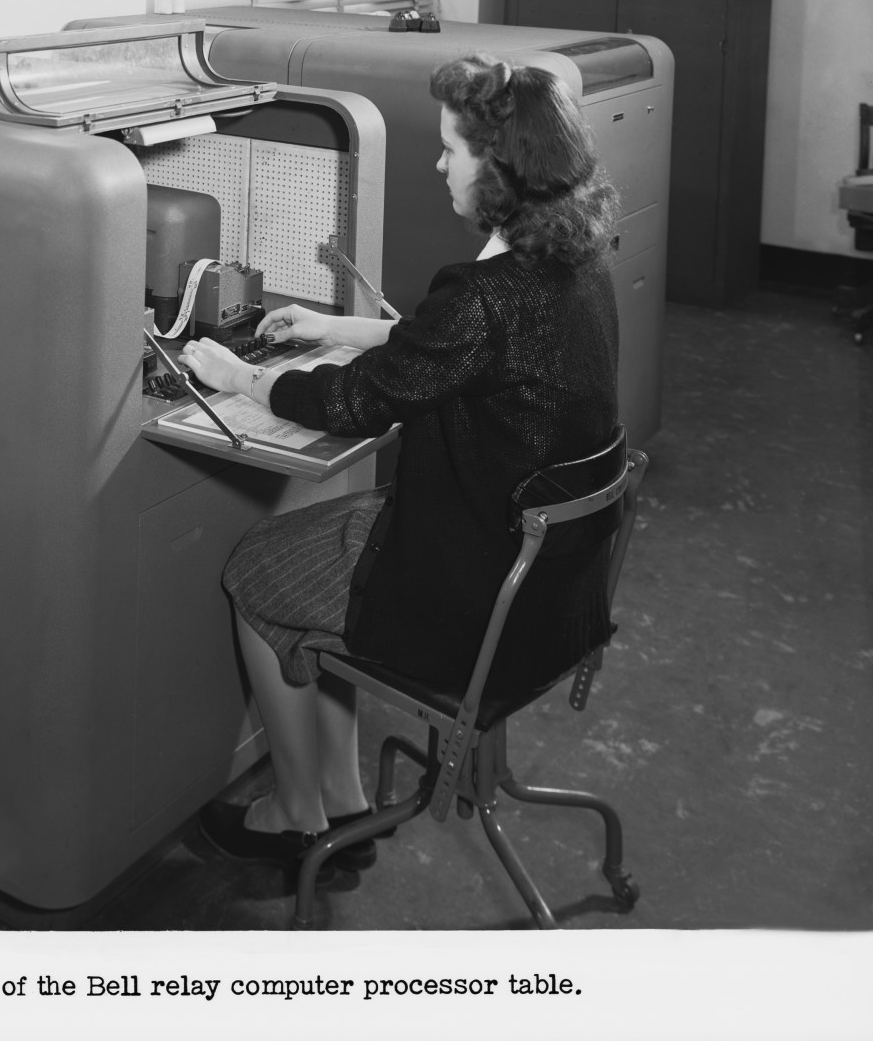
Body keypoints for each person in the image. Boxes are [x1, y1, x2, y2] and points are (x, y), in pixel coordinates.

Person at [176, 54, 622, 870]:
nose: (440, 162)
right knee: (315, 559)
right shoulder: (570, 263)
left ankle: (296, 812)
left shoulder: (486, 298)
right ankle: (343, 800)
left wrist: (240, 377)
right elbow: (453, 346)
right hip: (556, 585)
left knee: (256, 571)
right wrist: (331, 327)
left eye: (454, 149)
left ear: (500, 170)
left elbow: (353, 405)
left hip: (474, 590)